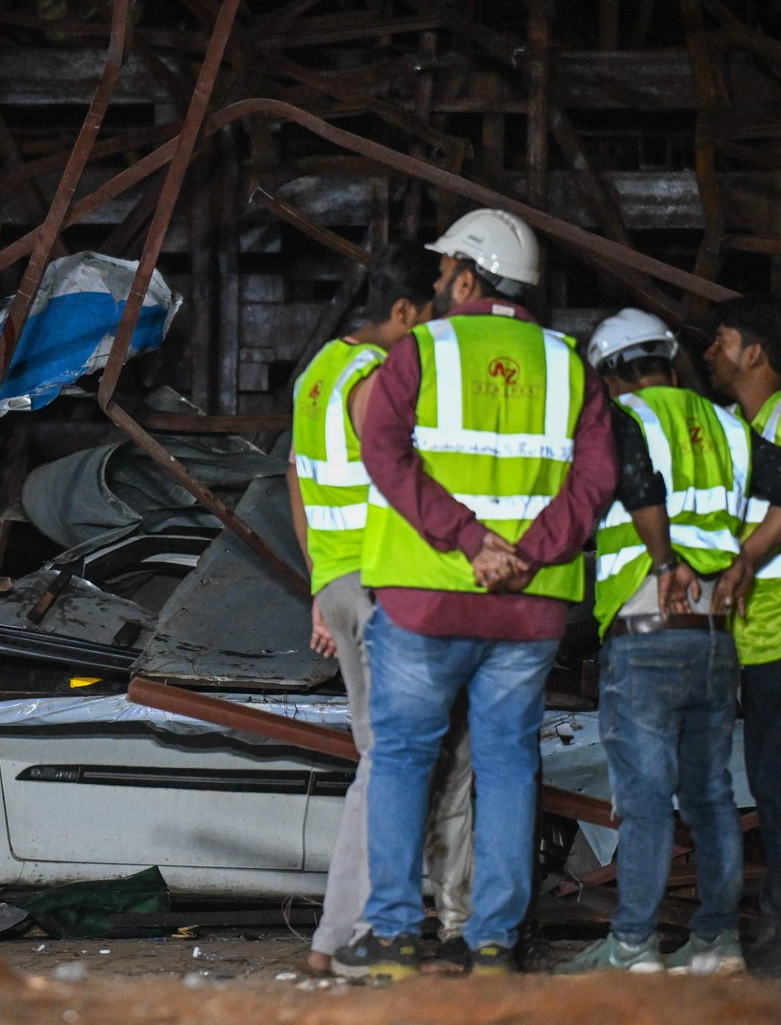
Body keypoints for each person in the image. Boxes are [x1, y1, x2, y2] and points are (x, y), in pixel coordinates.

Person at [332, 209, 618, 980]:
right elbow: (597, 478)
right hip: (529, 610)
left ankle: (392, 936)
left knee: (401, 760)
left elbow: (382, 450)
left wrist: (466, 540)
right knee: (506, 765)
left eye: (443, 270)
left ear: (468, 277)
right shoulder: (570, 365)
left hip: (426, 598)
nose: (434, 284)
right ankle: (492, 941)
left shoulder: (421, 351)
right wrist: (528, 552)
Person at [557, 308, 781, 975]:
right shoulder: (728, 426)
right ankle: (716, 941)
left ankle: (633, 945)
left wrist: (659, 560)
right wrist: (743, 560)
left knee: (646, 791)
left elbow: (637, 485)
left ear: (612, 371)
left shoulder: (627, 420)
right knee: (710, 789)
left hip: (645, 624)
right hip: (715, 634)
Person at [287, 243, 474, 976]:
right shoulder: (375, 376)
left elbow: (297, 486)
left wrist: (317, 586)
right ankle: (358, 938)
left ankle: (338, 939)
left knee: (385, 760)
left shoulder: (317, 372)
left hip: (339, 581)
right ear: (403, 313)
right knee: (400, 764)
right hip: (380, 583)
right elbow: (397, 472)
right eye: (427, 317)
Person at [704, 294, 781, 970]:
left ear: (755, 351)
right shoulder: (734, 427)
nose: (709, 351)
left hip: (778, 630)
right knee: (769, 779)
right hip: (757, 636)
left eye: (721, 338)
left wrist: (743, 560)